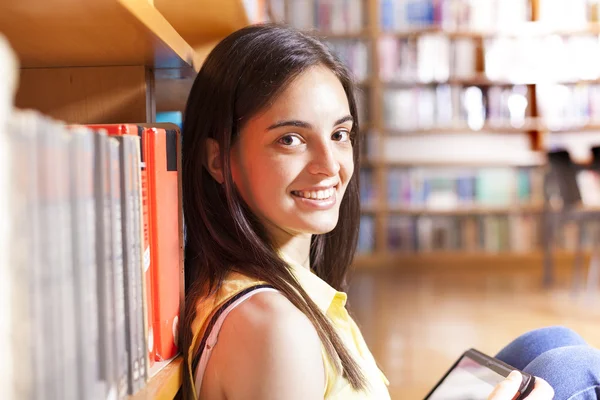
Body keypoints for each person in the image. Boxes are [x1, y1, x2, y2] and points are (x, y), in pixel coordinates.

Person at [179, 24, 599, 399]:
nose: (330, 166)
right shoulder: (272, 330)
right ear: (218, 160)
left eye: (340, 134)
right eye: (290, 139)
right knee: (575, 370)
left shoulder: (278, 291)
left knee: (551, 342)